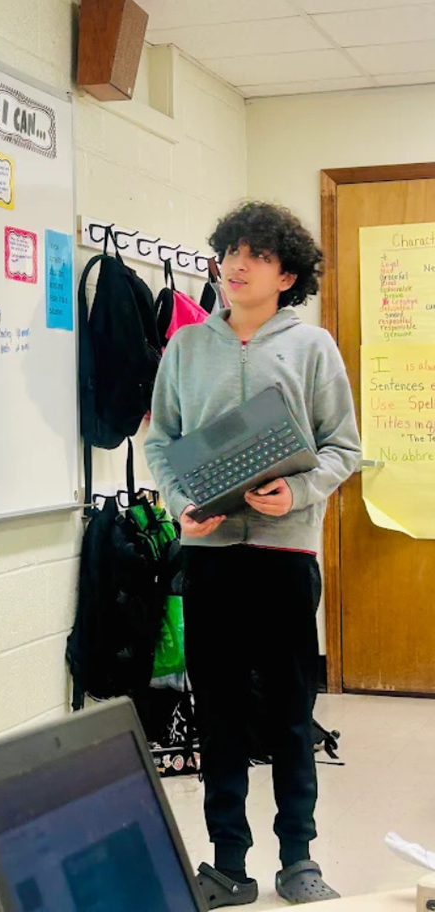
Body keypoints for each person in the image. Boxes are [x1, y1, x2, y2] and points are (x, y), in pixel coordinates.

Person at [144, 202, 361, 907]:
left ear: (286, 272)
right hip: (210, 557)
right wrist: (180, 506)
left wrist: (297, 491)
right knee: (222, 714)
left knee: (292, 712)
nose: (236, 264)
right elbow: (161, 442)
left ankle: (299, 857)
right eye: (230, 251)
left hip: (283, 557)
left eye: (256, 255)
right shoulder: (185, 347)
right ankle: (226, 862)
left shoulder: (312, 348)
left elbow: (343, 449)